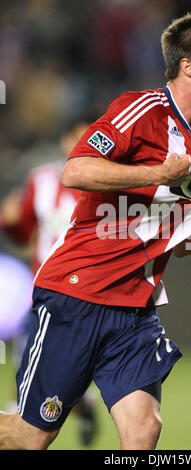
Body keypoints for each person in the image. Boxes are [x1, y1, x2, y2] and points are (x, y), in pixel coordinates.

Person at [0, 11, 191, 450]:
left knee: (144, 430)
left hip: (136, 310)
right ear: (188, 66)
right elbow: (75, 170)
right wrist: (158, 174)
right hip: (76, 296)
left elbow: (181, 243)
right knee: (29, 438)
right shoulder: (143, 111)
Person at [0, 121, 99, 446]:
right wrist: (9, 222)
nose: (82, 144)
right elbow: (22, 229)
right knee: (27, 377)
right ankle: (18, 427)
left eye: (91, 139)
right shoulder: (40, 180)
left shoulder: (109, 185)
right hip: (42, 297)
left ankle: (83, 406)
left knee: (68, 382)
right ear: (64, 140)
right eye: (77, 137)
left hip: (87, 300)